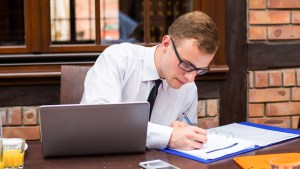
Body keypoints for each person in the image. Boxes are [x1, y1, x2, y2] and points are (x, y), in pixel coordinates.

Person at [81, 11, 219, 151]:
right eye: (187, 65)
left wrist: (182, 132)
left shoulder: (188, 88)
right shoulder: (118, 59)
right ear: (166, 44)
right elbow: (99, 122)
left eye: (199, 70)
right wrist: (167, 136)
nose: (191, 78)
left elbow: (186, 139)